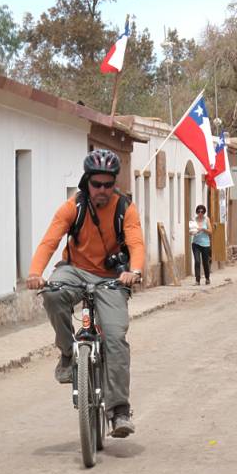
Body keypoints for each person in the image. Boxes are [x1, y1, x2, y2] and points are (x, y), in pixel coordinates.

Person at [26, 149, 145, 437]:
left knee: (115, 338)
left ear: (114, 183)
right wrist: (35, 273)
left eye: (108, 184)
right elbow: (49, 241)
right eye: (96, 184)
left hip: (111, 278)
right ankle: (68, 353)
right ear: (86, 182)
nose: (102, 190)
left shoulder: (125, 208)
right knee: (52, 293)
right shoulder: (73, 207)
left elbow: (136, 243)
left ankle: (119, 411)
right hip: (75, 270)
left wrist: (134, 271)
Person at [191, 205, 212, 285]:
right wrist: (193, 231)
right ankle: (197, 280)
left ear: (204, 212)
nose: (200, 213)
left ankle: (207, 278)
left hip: (205, 244)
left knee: (205, 262)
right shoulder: (194, 220)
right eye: (199, 211)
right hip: (196, 243)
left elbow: (210, 231)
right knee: (197, 261)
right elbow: (190, 232)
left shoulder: (206, 219)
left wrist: (203, 229)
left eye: (202, 212)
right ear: (197, 212)